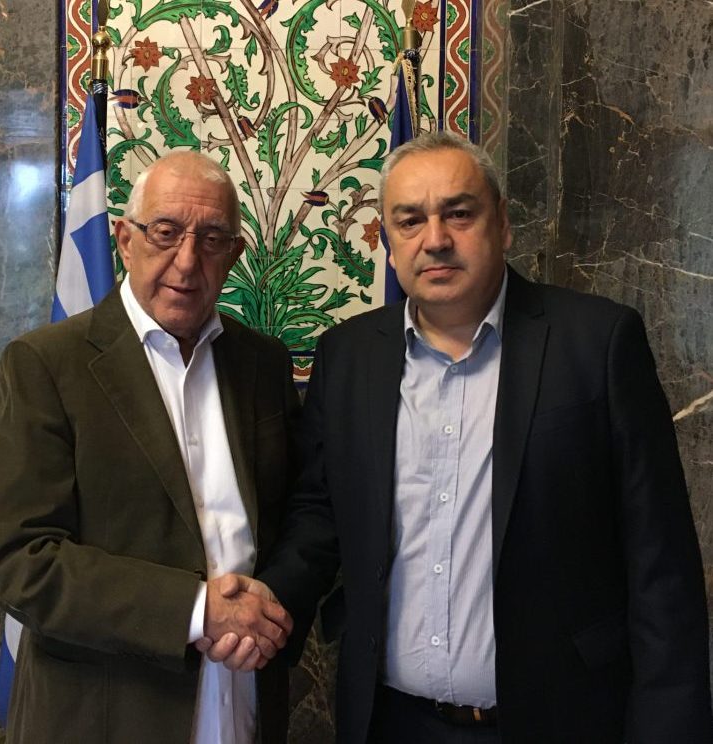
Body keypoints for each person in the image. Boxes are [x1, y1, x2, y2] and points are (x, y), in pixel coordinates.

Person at [210, 131, 713, 742]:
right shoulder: (347, 356)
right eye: (410, 221)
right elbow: (321, 513)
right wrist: (267, 603)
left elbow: (660, 563)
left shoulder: (598, 344)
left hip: (559, 719)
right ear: (388, 241)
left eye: (458, 213)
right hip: (391, 723)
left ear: (501, 223)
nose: (435, 239)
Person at [0, 150, 299, 744]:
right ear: (125, 241)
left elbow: (292, 520)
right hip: (107, 716)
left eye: (211, 240)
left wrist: (263, 614)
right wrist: (197, 610)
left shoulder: (264, 364)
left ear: (234, 255)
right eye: (166, 232)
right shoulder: (46, 364)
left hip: (242, 701)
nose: (187, 260)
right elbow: (20, 560)